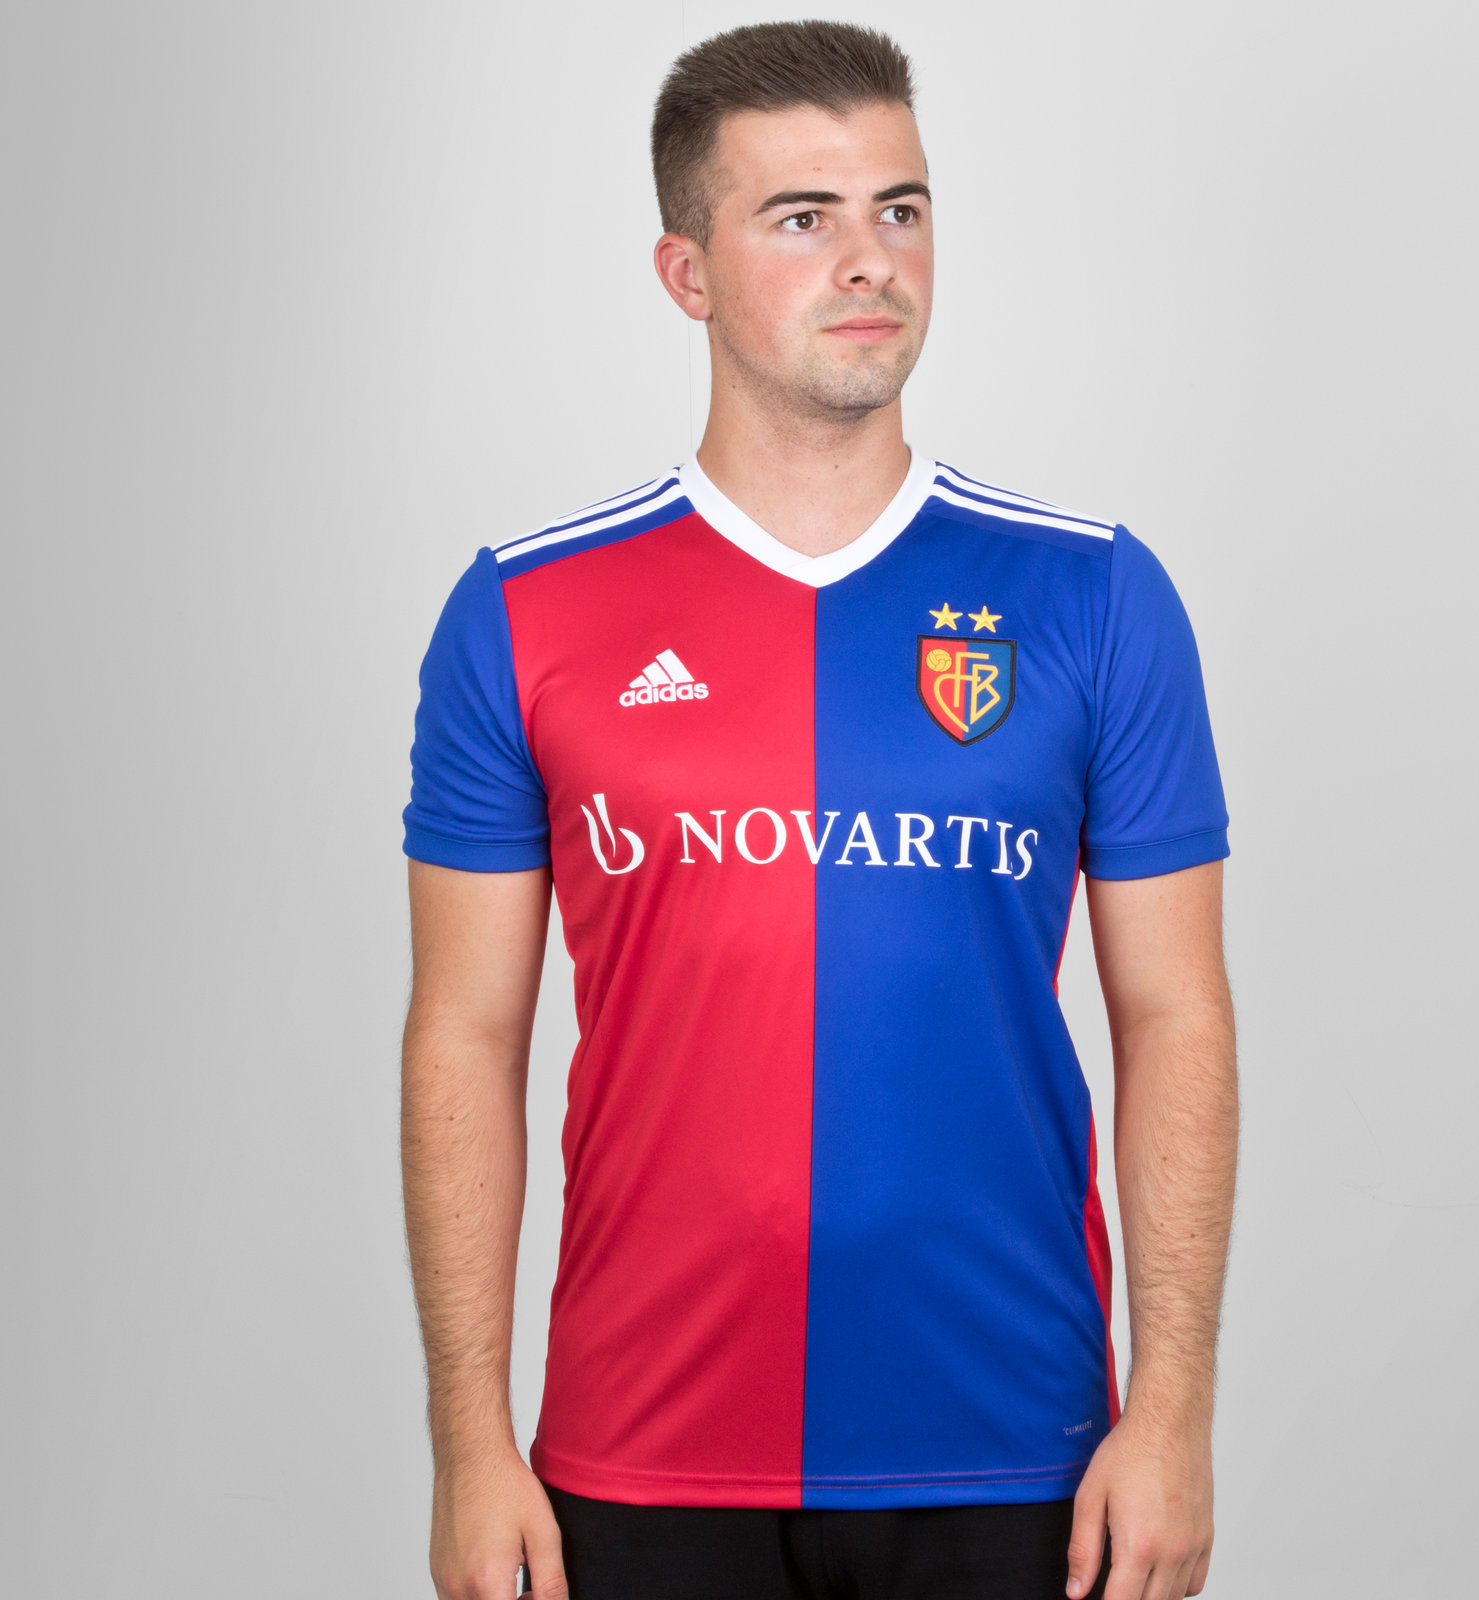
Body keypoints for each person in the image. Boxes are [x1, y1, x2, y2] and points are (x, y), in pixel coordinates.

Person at [400, 20, 1237, 1600]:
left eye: (899, 209)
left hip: (1020, 1450)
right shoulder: (524, 611)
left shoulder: (1093, 595)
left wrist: (1176, 1408)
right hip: (637, 1453)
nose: (871, 261)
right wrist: (468, 1441)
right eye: (803, 218)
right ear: (686, 274)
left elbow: (1176, 1012)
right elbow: (464, 1034)